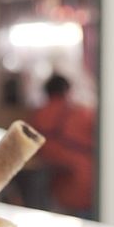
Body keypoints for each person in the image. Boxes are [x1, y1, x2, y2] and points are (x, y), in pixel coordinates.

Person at [29, 73, 95, 218]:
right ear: (67, 91)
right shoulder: (81, 113)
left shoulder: (39, 115)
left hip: (58, 188)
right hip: (86, 184)